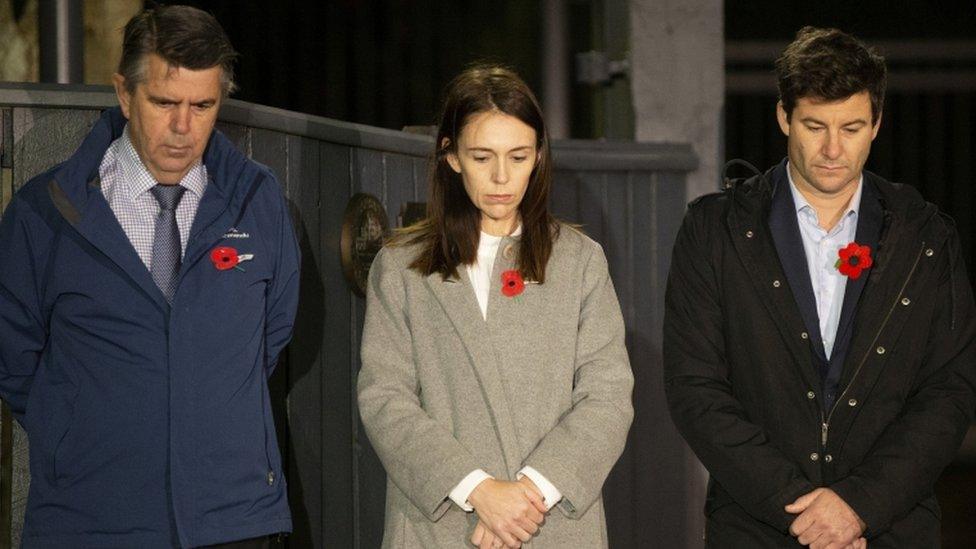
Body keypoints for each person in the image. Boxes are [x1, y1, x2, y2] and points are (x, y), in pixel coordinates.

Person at [664, 26, 976, 548]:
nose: (833, 149)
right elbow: (695, 387)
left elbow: (949, 390)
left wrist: (860, 506)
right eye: (814, 126)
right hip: (757, 528)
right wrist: (806, 514)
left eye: (852, 128)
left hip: (890, 526)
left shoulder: (925, 234)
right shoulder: (714, 231)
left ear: (877, 123)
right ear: (784, 117)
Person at [0, 6, 299, 547]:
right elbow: (15, 362)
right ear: (124, 94)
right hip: (87, 521)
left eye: (203, 106)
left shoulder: (259, 203)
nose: (183, 128)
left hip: (234, 521)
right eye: (164, 103)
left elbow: (270, 337)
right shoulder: (42, 214)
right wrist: (77, 434)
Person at [357, 65, 633, 548]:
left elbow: (608, 396)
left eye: (519, 156)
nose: (502, 177)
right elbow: (385, 398)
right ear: (452, 156)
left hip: (551, 522)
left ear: (539, 157)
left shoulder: (580, 262)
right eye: (482, 156)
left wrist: (526, 496)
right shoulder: (401, 266)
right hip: (438, 526)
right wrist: (478, 490)